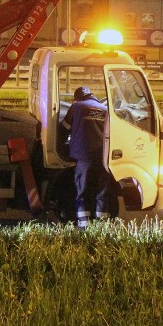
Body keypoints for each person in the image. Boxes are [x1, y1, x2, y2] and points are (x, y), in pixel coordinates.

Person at [60, 86, 110, 228]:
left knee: (82, 191)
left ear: (77, 98)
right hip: (103, 158)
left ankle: (84, 225)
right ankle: (103, 226)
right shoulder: (104, 109)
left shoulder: (76, 107)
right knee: (101, 192)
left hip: (83, 157)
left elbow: (64, 127)